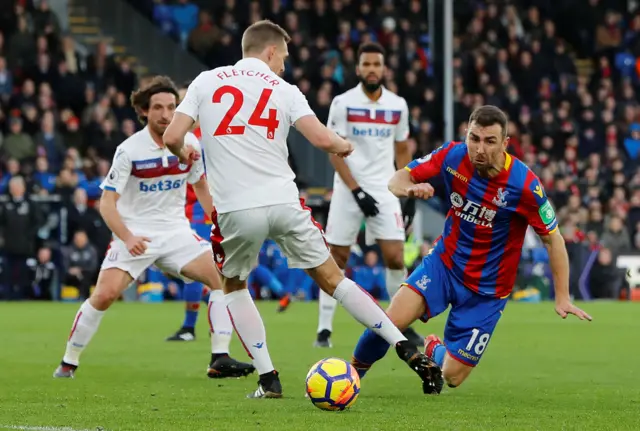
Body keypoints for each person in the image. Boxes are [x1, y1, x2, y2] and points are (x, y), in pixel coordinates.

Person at [163, 19, 442, 399]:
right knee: (334, 278)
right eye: (284, 58)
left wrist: (185, 153)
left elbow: (172, 137)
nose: (284, 65)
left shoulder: (204, 81)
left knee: (232, 284)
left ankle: (268, 379)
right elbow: (320, 138)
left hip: (235, 210)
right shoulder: (284, 88)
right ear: (271, 51)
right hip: (283, 201)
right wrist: (342, 145)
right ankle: (402, 343)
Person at [350, 105, 592, 392]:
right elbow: (398, 178)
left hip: (487, 292)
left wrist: (562, 296)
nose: (479, 148)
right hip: (444, 265)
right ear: (466, 135)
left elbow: (553, 239)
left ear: (505, 144)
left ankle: (433, 348)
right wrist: (410, 189)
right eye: (474, 138)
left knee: (452, 376)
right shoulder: (452, 156)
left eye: (489, 141)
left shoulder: (525, 186)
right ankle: (349, 378)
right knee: (388, 323)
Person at [53, 76, 254, 379]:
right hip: (136, 233)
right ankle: (68, 362)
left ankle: (219, 357)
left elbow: (201, 187)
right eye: (158, 107)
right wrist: (127, 236)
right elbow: (106, 204)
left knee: (221, 276)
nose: (165, 114)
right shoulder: (129, 150)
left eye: (172, 107)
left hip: (175, 231)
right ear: (144, 111)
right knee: (105, 295)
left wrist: (220, 224)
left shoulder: (189, 143)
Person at [316, 41, 421, 348]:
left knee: (395, 257)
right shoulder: (343, 103)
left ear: (384, 68)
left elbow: (402, 148)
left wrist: (409, 191)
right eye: (367, 64)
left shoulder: (397, 105)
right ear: (358, 68)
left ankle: (397, 322)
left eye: (377, 64)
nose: (372, 69)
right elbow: (334, 151)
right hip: (349, 188)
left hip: (385, 187)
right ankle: (324, 330)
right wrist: (356, 190)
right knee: (337, 258)